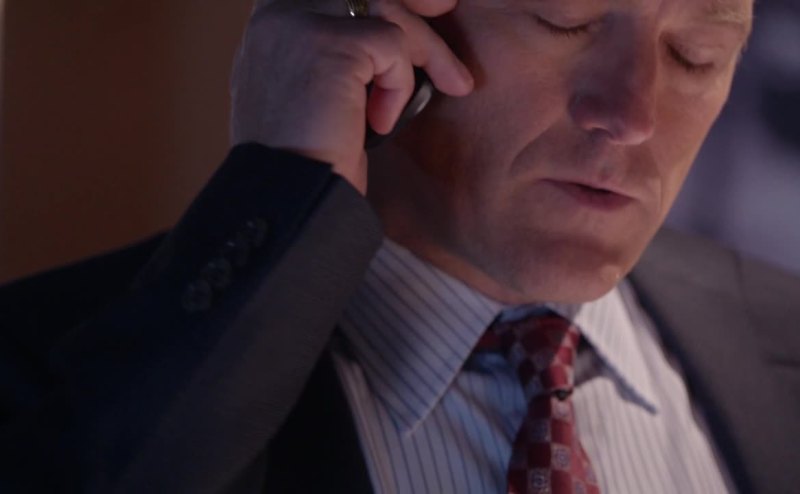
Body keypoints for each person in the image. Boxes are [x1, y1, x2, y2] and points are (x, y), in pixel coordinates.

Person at [0, 0, 798, 492]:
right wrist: (282, 184)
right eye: (565, 20)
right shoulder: (45, 363)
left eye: (696, 55)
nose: (633, 115)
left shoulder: (786, 339)